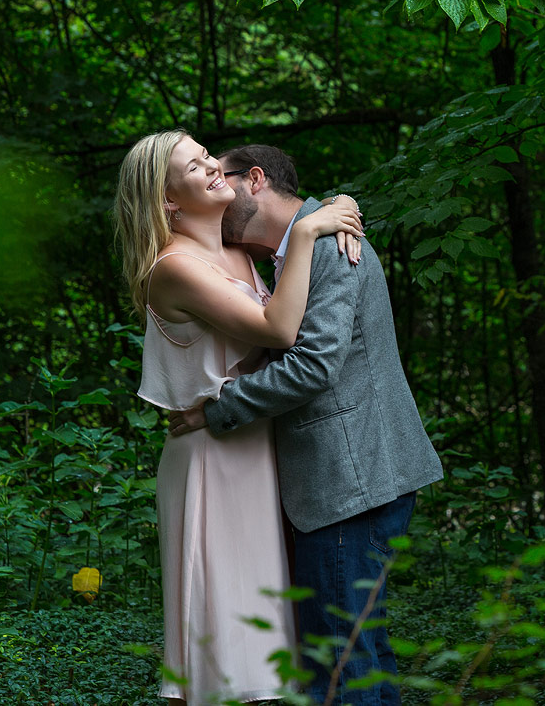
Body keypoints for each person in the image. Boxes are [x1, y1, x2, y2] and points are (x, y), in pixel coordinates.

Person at [167, 144, 445, 706]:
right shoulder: (300, 247)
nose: (216, 197)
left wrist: (215, 409)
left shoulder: (330, 246)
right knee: (359, 651)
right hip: (343, 481)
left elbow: (313, 366)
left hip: (351, 481)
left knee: (339, 659)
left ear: (256, 181)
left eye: (221, 177)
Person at [113, 129, 365, 705]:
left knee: (270, 634)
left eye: (207, 155)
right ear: (167, 199)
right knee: (224, 637)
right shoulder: (172, 268)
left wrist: (338, 206)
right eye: (192, 164)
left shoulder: (238, 250)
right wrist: (310, 229)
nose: (210, 166)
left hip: (256, 448)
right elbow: (279, 330)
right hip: (210, 458)